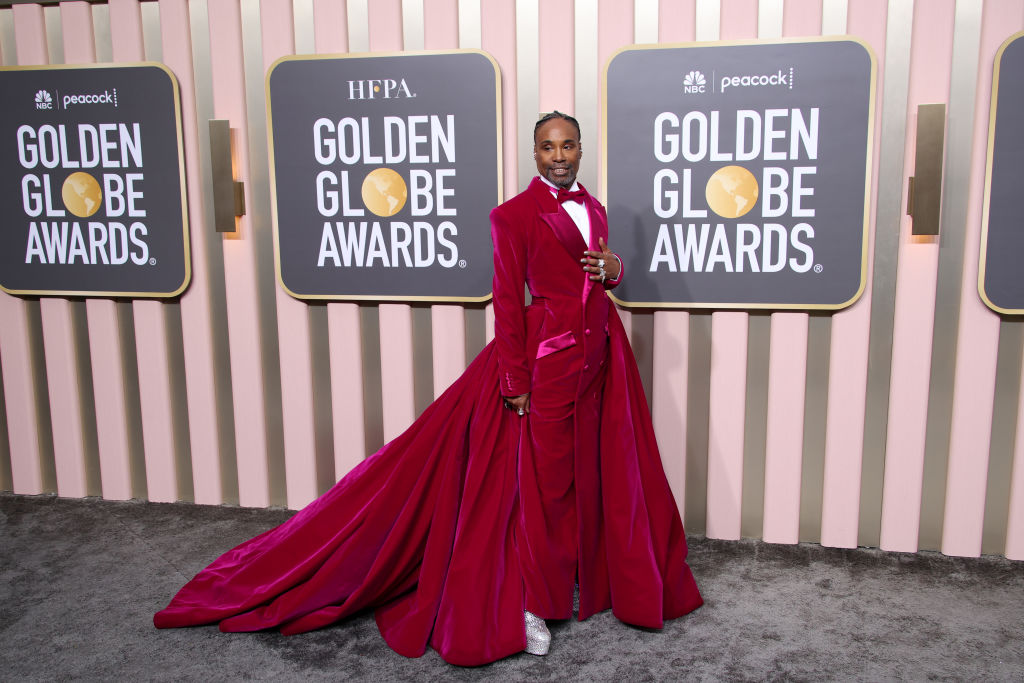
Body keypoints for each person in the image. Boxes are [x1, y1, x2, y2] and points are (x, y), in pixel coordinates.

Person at [154, 112, 702, 666]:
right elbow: (509, 301)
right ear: (533, 154)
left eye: (566, 146)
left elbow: (599, 277)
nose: (557, 156)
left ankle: (583, 575)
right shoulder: (511, 217)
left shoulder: (596, 206)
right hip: (548, 364)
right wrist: (515, 380)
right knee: (538, 489)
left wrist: (614, 268)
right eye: (546, 147)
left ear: (581, 150)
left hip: (603, 362)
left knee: (594, 475)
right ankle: (530, 603)